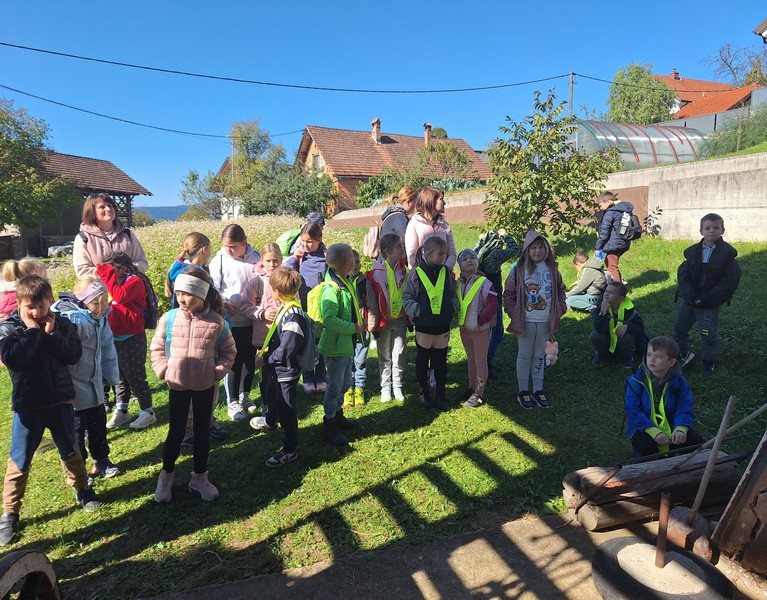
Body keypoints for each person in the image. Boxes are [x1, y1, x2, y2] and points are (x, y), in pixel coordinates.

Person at [0, 275, 103, 546]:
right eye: (30, 307)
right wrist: (33, 332)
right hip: (28, 405)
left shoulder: (63, 324)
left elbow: (73, 354)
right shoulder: (9, 328)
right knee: (20, 458)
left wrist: (52, 334)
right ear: (19, 304)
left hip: (61, 400)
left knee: (70, 448)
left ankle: (82, 488)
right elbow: (13, 359)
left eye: (42, 306)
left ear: (50, 302)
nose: (36, 312)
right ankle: (10, 512)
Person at [150, 269, 236, 503]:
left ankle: (199, 477)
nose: (181, 298)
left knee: (201, 431)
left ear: (201, 294)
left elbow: (229, 351)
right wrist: (164, 370)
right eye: (178, 293)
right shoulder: (169, 319)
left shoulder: (217, 323)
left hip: (204, 387)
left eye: (187, 294)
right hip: (177, 385)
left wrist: (216, 372)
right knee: (175, 432)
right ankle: (166, 476)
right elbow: (157, 347)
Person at [52, 276, 121, 479]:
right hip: (73, 386)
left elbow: (108, 349)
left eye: (105, 301)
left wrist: (111, 376)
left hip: (94, 383)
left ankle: (101, 460)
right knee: (76, 431)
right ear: (82, 300)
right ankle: (79, 469)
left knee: (98, 425)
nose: (102, 306)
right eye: (96, 303)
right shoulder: (72, 320)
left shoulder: (101, 319)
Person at [164, 232, 228, 442]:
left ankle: (205, 422)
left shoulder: (184, 269)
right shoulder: (192, 274)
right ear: (203, 249)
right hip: (190, 335)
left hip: (197, 335)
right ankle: (190, 430)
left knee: (203, 385)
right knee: (193, 387)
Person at [252, 266, 310, 466]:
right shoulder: (285, 308)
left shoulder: (293, 315)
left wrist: (265, 359)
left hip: (286, 370)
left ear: (276, 291)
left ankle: (290, 449)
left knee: (287, 409)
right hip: (277, 368)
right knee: (272, 396)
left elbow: (287, 349)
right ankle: (270, 421)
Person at [673, 213, 741, 379]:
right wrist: (690, 295)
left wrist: (707, 299)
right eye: (707, 228)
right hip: (690, 301)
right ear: (701, 231)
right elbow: (683, 275)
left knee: (707, 334)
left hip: (709, 304)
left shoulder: (726, 254)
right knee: (680, 329)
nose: (712, 231)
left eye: (716, 228)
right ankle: (682, 355)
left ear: (722, 230)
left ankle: (708, 361)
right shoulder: (693, 252)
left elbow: (729, 282)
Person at [503, 232, 566, 410]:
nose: (537, 251)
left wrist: (560, 308)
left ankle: (538, 389)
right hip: (525, 322)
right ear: (527, 250)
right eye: (533, 247)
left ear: (546, 249)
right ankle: (523, 390)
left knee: (539, 355)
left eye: (540, 247)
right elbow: (508, 294)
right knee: (524, 355)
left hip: (546, 321)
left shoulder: (552, 270)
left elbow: (561, 290)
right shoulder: (518, 270)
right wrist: (513, 313)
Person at [97, 253, 157, 430]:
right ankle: (122, 410)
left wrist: (106, 274)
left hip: (132, 337)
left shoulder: (135, 281)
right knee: (119, 376)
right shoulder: (113, 282)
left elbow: (120, 296)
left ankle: (148, 411)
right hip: (115, 335)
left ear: (122, 268)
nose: (107, 274)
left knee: (135, 376)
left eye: (111, 270)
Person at [209, 224, 260, 421]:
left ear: (244, 243)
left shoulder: (256, 258)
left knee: (249, 359)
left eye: (232, 246)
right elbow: (213, 289)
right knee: (233, 361)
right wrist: (224, 302)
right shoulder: (219, 261)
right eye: (225, 246)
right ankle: (233, 402)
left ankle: (245, 396)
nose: (228, 250)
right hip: (231, 321)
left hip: (252, 319)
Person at [402, 235, 458, 411]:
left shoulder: (447, 273)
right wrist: (417, 310)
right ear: (427, 253)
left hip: (442, 325)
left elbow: (453, 293)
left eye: (445, 254)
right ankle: (424, 391)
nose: (443, 258)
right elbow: (407, 297)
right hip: (424, 325)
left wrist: (452, 307)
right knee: (423, 359)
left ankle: (440, 393)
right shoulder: (416, 273)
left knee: (440, 361)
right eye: (439, 254)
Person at [625, 336, 704, 458]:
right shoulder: (636, 381)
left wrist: (681, 428)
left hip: (672, 424)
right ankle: (649, 459)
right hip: (643, 427)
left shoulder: (680, 382)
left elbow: (685, 407)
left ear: (671, 362)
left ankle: (673, 454)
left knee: (698, 445)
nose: (651, 360)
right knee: (645, 446)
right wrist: (653, 431)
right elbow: (632, 411)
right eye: (649, 354)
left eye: (658, 356)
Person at [318, 244, 364, 446]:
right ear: (347, 264)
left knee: (345, 384)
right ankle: (329, 423)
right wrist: (353, 328)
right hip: (335, 347)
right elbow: (329, 319)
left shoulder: (346, 281)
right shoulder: (332, 288)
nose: (355, 261)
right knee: (335, 387)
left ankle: (337, 415)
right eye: (352, 258)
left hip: (345, 345)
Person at [241, 243, 283, 430]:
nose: (272, 264)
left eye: (276, 261)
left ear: (281, 260)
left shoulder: (286, 278)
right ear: (262, 261)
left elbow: (295, 300)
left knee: (281, 373)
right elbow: (245, 306)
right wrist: (262, 313)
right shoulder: (256, 283)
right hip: (263, 339)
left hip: (282, 336)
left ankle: (281, 405)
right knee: (265, 376)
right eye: (268, 261)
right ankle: (268, 407)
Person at [284, 222, 328, 393]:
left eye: (309, 241)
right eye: (303, 241)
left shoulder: (326, 256)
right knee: (306, 343)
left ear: (319, 240)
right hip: (303, 306)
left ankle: (321, 377)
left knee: (321, 343)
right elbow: (286, 272)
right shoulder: (300, 256)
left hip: (321, 306)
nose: (305, 244)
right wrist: (294, 258)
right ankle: (308, 377)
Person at [366, 233, 409, 402]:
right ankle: (385, 387)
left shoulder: (404, 271)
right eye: (399, 247)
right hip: (383, 322)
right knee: (384, 354)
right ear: (388, 250)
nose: (402, 250)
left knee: (399, 353)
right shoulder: (376, 273)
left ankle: (397, 385)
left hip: (400, 319)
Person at [474, 229, 519, 379]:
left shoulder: (477, 254)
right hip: (494, 297)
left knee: (484, 332)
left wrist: (481, 240)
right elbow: (514, 249)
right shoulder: (495, 254)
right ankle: (487, 362)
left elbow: (473, 249)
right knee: (497, 333)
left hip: (480, 298)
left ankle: (482, 361)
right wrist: (505, 235)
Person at [456, 249, 498, 408]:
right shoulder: (458, 284)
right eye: (464, 259)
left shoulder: (485, 283)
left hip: (480, 330)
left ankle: (479, 393)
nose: (469, 260)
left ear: (477, 262)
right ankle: (471, 387)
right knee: (471, 360)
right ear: (459, 266)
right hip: (465, 330)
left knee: (480, 362)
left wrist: (481, 320)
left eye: (472, 257)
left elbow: (492, 304)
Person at [73, 193, 148, 278]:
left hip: (129, 285)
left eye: (110, 205)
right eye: (102, 207)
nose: (108, 209)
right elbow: (82, 271)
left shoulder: (127, 234)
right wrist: (112, 273)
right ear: (92, 212)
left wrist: (126, 271)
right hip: (100, 286)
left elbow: (142, 262)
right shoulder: (83, 238)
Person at [589, 281, 646, 369]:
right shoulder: (600, 307)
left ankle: (627, 358)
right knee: (595, 336)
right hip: (608, 337)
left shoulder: (628, 309)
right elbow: (599, 328)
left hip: (622, 340)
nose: (606, 294)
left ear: (620, 298)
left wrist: (627, 327)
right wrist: (603, 313)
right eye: (606, 291)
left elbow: (640, 328)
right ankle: (602, 354)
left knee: (626, 338)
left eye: (611, 293)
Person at [404, 187, 457, 270]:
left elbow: (452, 253)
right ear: (431, 201)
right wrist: (426, 271)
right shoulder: (414, 224)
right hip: (421, 274)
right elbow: (412, 256)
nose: (444, 203)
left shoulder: (444, 225)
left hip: (443, 274)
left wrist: (445, 269)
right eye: (441, 199)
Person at [343, 250, 369, 409]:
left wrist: (370, 324)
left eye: (358, 262)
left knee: (360, 360)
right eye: (352, 262)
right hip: (347, 329)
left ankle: (359, 388)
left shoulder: (364, 282)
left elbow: (372, 304)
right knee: (348, 360)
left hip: (363, 328)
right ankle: (348, 389)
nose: (355, 266)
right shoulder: (341, 283)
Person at [594, 191, 634, 284]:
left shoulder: (610, 213)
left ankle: (617, 289)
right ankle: (620, 283)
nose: (600, 208)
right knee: (610, 263)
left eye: (600, 205)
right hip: (624, 241)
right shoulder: (623, 210)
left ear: (608, 202)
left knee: (612, 267)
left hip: (614, 243)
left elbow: (604, 232)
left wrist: (598, 247)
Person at [378, 187, 417, 253]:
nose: (416, 206)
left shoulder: (392, 214)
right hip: (391, 258)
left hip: (387, 256)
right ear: (409, 202)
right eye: (415, 202)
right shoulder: (400, 217)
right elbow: (409, 242)